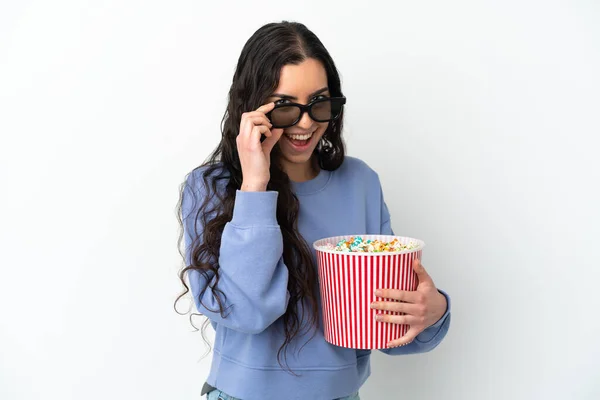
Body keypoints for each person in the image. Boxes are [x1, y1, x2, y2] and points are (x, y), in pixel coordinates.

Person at [176, 21, 451, 400]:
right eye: (285, 107)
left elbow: (382, 328)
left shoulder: (361, 183)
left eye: (319, 103)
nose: (306, 123)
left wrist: (432, 311)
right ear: (251, 108)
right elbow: (246, 313)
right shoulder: (212, 189)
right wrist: (255, 186)